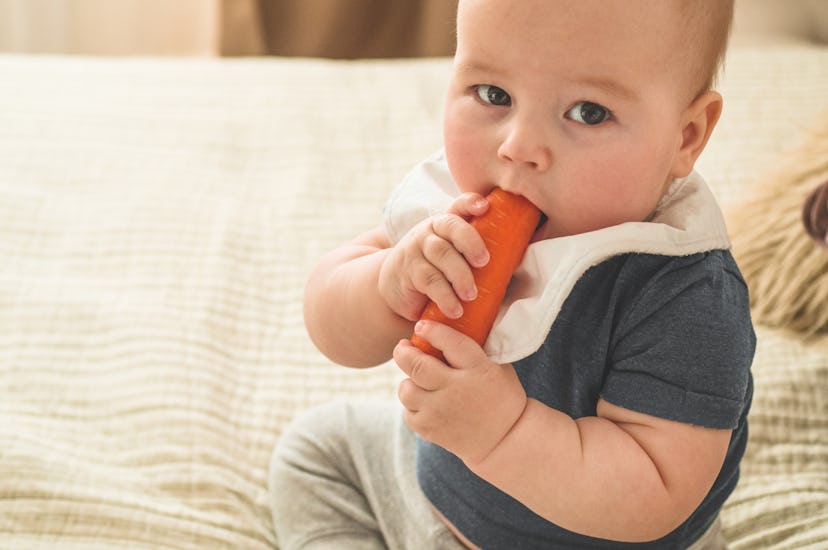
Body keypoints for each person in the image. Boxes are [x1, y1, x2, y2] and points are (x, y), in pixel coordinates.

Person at [269, 0, 755, 548]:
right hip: (431, 492)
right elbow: (331, 324)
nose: (517, 146)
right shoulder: (461, 203)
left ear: (685, 136)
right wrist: (388, 281)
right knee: (314, 452)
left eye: (589, 112)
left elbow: (656, 492)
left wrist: (503, 432)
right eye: (494, 95)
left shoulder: (684, 291)